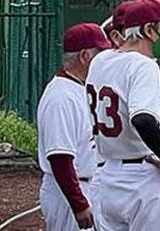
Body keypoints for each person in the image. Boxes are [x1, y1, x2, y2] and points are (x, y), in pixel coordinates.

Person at [85, 0, 160, 231]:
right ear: (148, 29)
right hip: (142, 179)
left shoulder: (100, 60)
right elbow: (142, 119)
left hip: (107, 174)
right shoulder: (144, 65)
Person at [37, 23, 110, 230]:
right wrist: (78, 204)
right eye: (100, 54)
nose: (104, 60)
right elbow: (60, 157)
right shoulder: (61, 97)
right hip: (68, 193)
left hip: (87, 186)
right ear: (85, 56)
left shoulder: (80, 88)